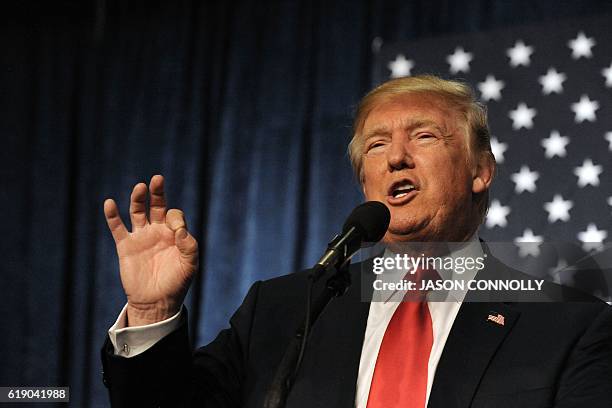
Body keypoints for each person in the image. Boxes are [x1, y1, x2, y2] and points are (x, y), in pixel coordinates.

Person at [101, 75, 612, 407]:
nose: (396, 158)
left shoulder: (570, 324)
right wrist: (151, 311)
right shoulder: (283, 312)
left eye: (425, 136)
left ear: (481, 170)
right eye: (376, 145)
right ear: (365, 179)